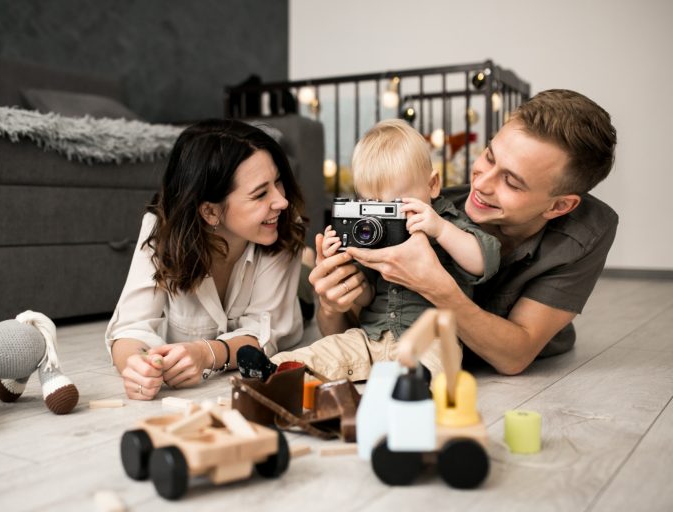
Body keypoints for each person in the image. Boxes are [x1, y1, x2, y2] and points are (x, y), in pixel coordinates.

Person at [309, 89, 618, 376]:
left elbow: (515, 356)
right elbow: (354, 340)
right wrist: (333, 302)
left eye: (511, 182)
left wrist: (435, 286)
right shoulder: (427, 209)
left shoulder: (586, 232)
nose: (481, 184)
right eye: (489, 156)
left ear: (559, 206)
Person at [270, 119, 500, 380]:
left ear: (432, 185)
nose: (387, 217)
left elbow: (485, 260)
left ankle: (411, 393)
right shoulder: (373, 235)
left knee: (433, 368)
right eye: (373, 205)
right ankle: (275, 370)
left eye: (395, 206)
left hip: (429, 339)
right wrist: (344, 269)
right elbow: (366, 297)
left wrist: (442, 230)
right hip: (370, 338)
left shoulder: (448, 222)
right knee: (324, 351)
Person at [105, 119, 307, 400]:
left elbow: (265, 333)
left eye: (278, 182)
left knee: (310, 284)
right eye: (261, 193)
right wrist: (137, 365)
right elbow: (130, 327)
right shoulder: (160, 229)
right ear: (210, 212)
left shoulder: (283, 226)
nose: (281, 201)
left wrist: (207, 353)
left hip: (298, 295)